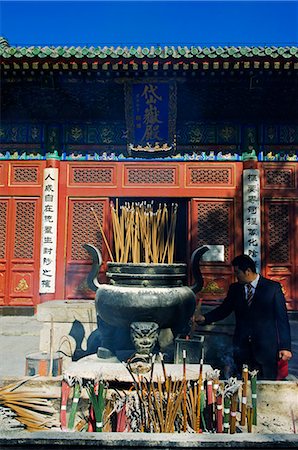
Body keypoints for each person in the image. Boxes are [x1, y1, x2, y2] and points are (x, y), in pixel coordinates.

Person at [195, 254, 292, 380]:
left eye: (237, 273)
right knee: (243, 387)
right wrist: (205, 318)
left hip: (266, 349)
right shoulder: (235, 289)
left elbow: (282, 318)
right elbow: (224, 309)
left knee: (266, 387)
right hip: (242, 348)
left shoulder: (272, 288)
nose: (236, 276)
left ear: (248, 271)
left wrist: (285, 347)